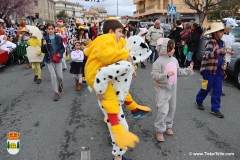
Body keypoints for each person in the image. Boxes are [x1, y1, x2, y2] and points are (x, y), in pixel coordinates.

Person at [84, 19, 139, 160]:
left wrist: (130, 65)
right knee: (119, 123)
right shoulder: (106, 39)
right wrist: (100, 91)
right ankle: (117, 155)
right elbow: (107, 55)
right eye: (120, 31)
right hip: (96, 76)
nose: (122, 35)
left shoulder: (116, 41)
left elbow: (121, 55)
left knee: (115, 119)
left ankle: (118, 154)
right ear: (111, 31)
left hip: (105, 81)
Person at [151, 38, 194, 142]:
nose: (173, 50)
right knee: (162, 109)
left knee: (171, 107)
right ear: (164, 49)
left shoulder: (174, 60)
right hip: (162, 89)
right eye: (171, 48)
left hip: (172, 88)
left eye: (174, 48)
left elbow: (178, 71)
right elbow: (154, 75)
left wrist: (188, 69)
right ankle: (159, 129)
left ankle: (168, 124)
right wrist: (166, 75)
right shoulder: (158, 62)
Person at [195, 23, 234, 118]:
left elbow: (223, 57)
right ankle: (198, 101)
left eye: (223, 31)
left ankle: (215, 109)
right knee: (206, 88)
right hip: (209, 70)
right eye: (221, 31)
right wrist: (219, 51)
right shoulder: (210, 42)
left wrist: (224, 65)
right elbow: (207, 55)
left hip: (219, 71)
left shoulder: (222, 43)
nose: (223, 33)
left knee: (218, 90)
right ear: (215, 32)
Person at [41, 23, 65, 101]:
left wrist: (60, 53)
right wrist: (44, 45)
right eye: (49, 29)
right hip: (49, 59)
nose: (50, 30)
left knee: (60, 76)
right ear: (47, 30)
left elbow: (62, 48)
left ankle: (60, 83)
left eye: (52, 28)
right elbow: (43, 50)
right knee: (53, 75)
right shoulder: (44, 38)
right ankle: (56, 92)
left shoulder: (58, 37)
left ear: (54, 29)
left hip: (57, 58)